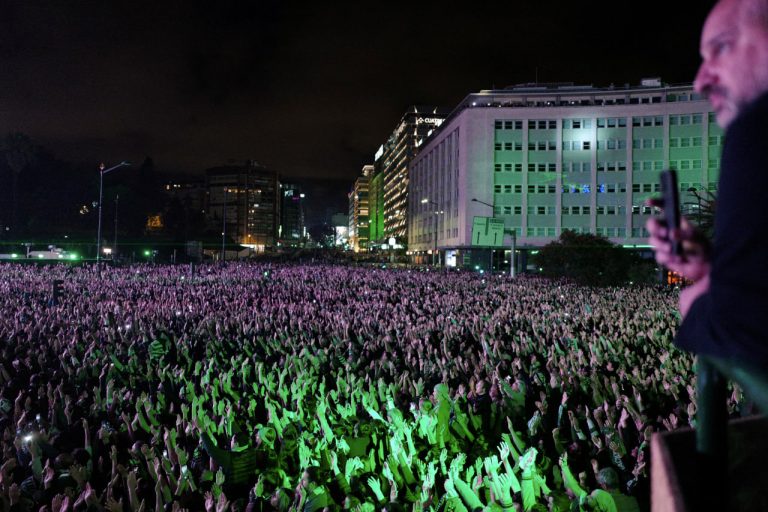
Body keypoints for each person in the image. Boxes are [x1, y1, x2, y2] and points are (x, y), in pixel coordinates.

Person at [647, 0, 768, 366]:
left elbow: (741, 328)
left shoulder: (756, 131)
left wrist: (696, 302)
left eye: (721, 47)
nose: (700, 80)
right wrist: (714, 268)